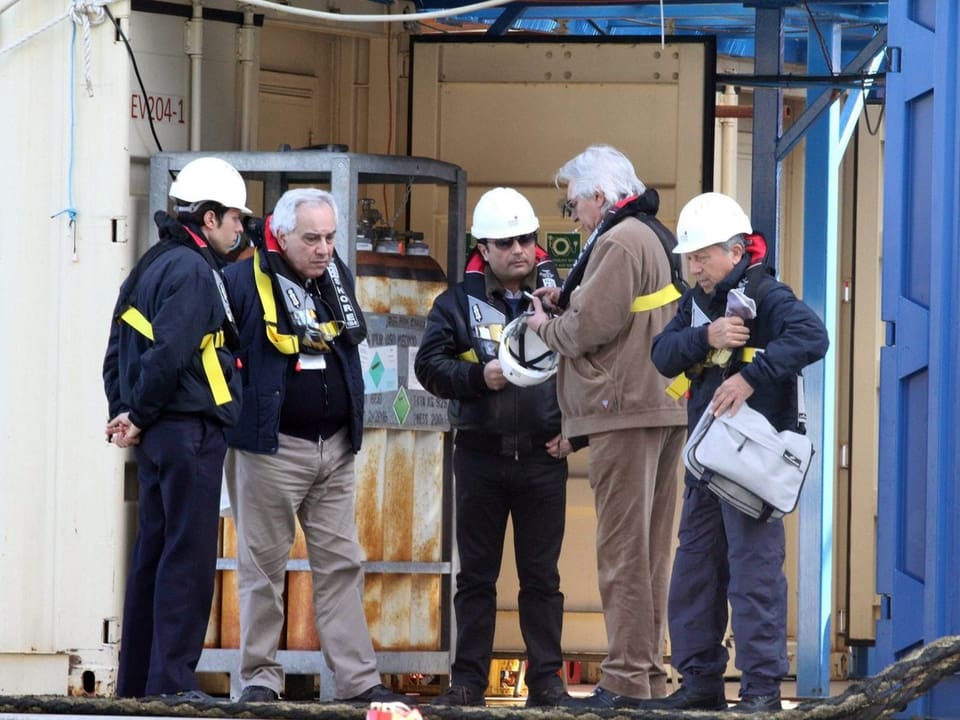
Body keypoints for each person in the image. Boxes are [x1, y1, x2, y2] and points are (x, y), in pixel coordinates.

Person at [222, 188, 408, 706]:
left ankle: (356, 680)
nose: (324, 248)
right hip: (271, 449)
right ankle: (260, 677)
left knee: (342, 564)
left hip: (335, 446)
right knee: (263, 568)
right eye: (312, 238)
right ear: (280, 236)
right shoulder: (241, 281)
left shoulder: (335, 279)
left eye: (329, 237)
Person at [649, 192, 829, 713]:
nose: (694, 266)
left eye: (702, 255)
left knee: (754, 575)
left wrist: (751, 378)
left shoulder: (767, 294)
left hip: (751, 464)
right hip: (707, 463)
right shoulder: (697, 304)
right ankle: (700, 682)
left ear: (734, 251)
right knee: (696, 570)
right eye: (689, 256)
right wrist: (706, 335)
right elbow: (663, 356)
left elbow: (813, 336)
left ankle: (760, 692)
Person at [525, 145, 688, 708]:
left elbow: (586, 329)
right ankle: (644, 675)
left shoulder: (618, 240)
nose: (573, 217)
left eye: (573, 205)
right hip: (661, 405)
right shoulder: (651, 232)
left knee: (622, 551)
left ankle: (622, 679)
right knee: (649, 552)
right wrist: (568, 301)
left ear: (599, 196)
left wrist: (547, 324)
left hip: (626, 410)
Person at [414, 187, 575, 709]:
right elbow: (428, 368)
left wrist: (578, 432)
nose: (520, 250)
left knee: (542, 580)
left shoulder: (561, 303)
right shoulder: (455, 304)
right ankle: (467, 683)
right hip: (481, 454)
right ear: (484, 246)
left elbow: (592, 369)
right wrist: (479, 377)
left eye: (527, 239)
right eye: (507, 242)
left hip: (542, 456)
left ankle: (547, 682)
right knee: (476, 578)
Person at [102, 156, 249, 700]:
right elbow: (169, 352)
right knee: (187, 559)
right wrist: (137, 414)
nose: (242, 228)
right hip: (188, 431)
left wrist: (126, 412)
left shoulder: (150, 263)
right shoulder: (192, 270)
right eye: (236, 217)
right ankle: (172, 684)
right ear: (208, 219)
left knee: (152, 558)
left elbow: (117, 350)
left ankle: (138, 684)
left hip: (161, 432)